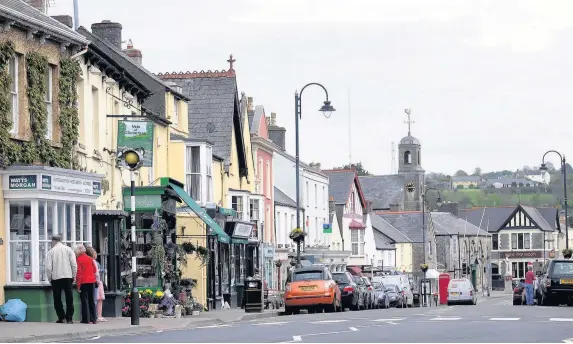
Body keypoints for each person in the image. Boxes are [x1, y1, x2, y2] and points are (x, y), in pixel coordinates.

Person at [46, 235, 77, 324]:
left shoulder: (51, 251)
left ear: (53, 241)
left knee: (57, 298)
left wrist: (50, 278)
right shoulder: (69, 249)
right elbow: (73, 264)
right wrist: (74, 275)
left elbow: (48, 268)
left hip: (56, 277)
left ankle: (61, 317)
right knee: (69, 298)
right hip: (68, 276)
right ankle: (70, 318)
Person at [75, 244, 97, 324]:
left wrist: (78, 286)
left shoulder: (78, 260)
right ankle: (93, 318)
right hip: (92, 281)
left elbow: (79, 273)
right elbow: (94, 270)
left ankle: (86, 319)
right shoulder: (90, 258)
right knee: (91, 300)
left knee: (84, 301)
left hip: (84, 282)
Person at [86, 247, 106, 322]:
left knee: (99, 299)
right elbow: (96, 272)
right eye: (94, 253)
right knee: (96, 299)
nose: (96, 254)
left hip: (97, 281)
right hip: (96, 282)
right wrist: (97, 281)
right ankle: (97, 316)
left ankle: (98, 315)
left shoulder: (94, 262)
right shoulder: (93, 261)